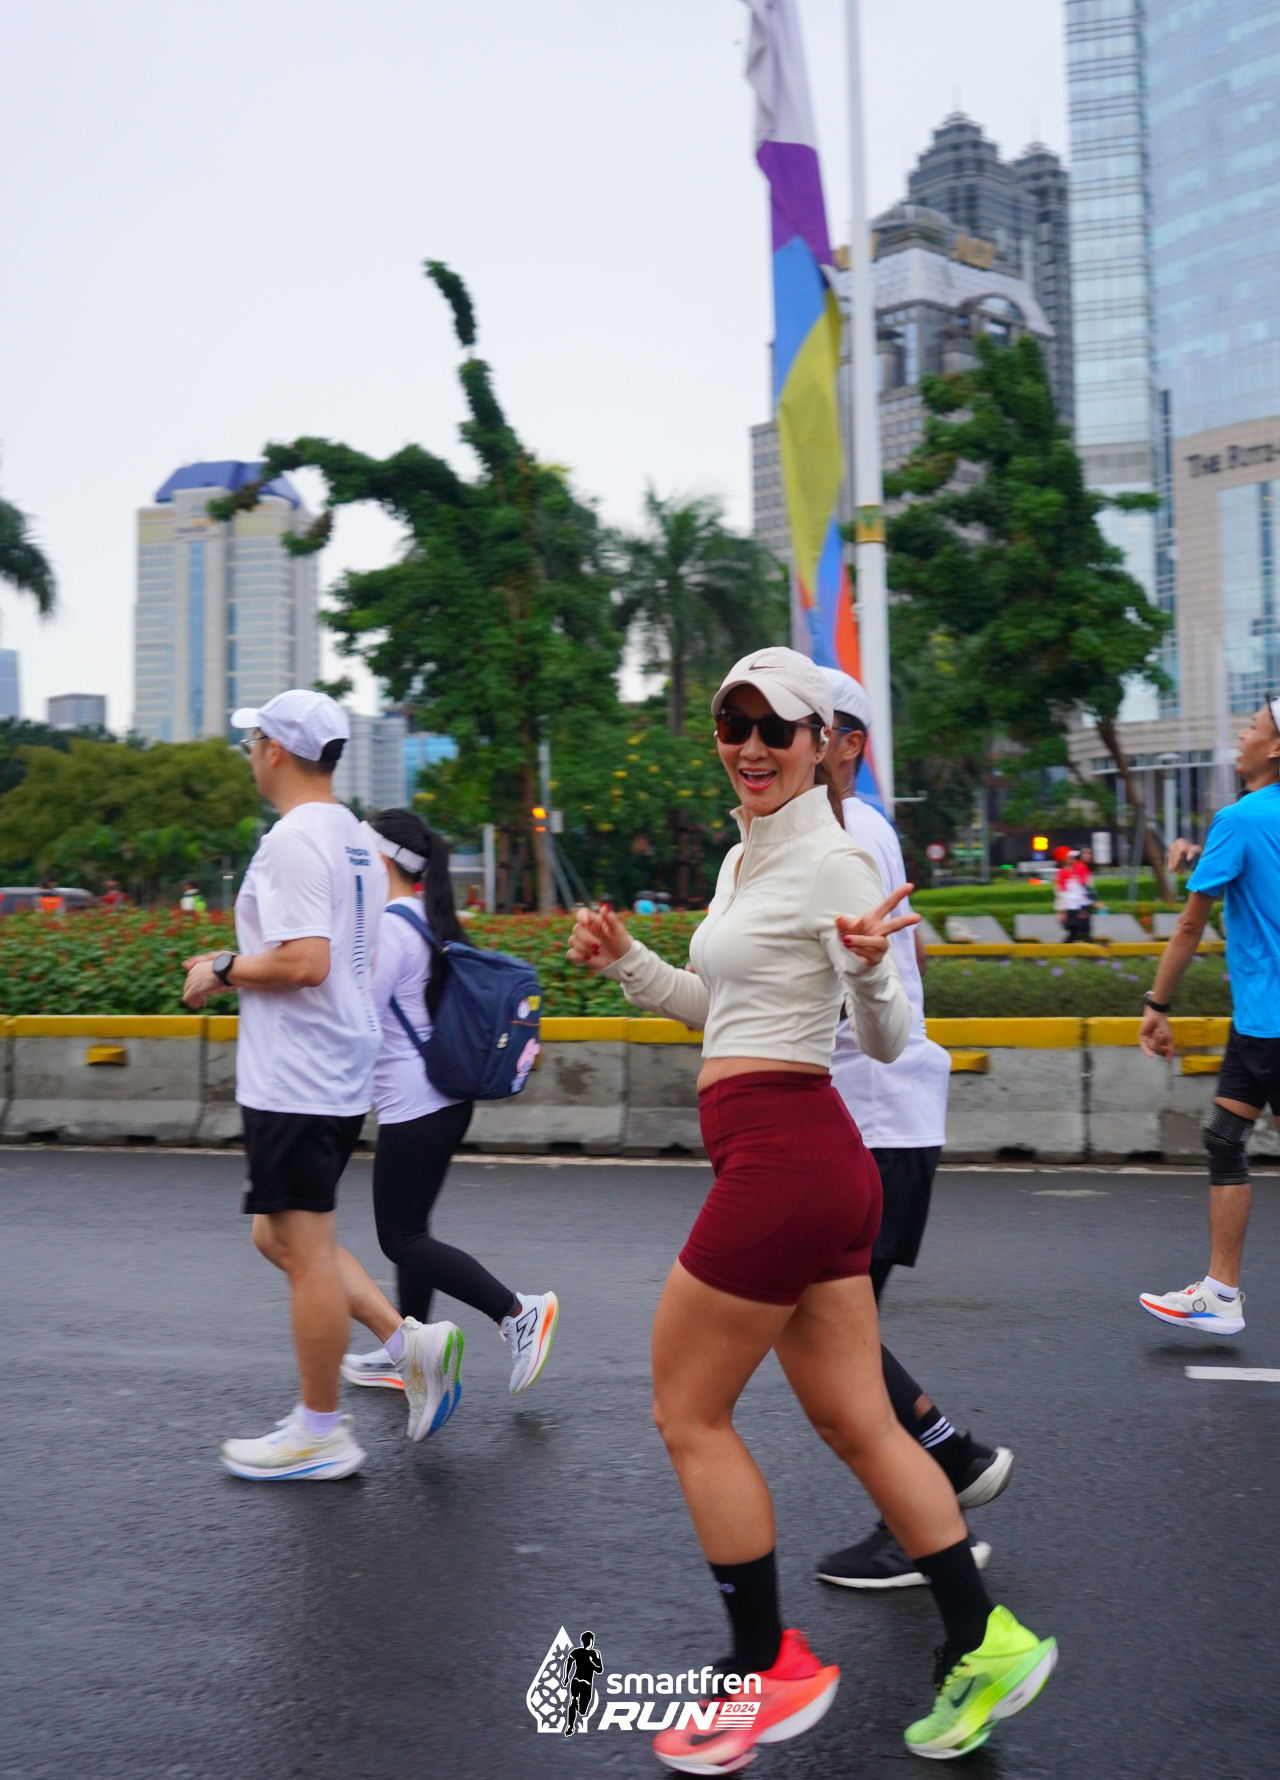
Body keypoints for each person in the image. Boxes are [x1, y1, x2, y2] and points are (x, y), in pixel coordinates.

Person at [568, 648, 1056, 1768]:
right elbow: (718, 1007)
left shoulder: (836, 856)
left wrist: (872, 969)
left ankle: (760, 1670)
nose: (749, 746)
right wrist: (628, 958)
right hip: (803, 1160)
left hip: (787, 1158)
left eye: (773, 729)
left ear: (817, 742)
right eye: (731, 724)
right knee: (858, 1421)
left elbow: (884, 1037)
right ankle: (983, 1640)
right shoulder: (746, 857)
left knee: (688, 1414)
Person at [182, 691, 462, 1480]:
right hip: (334, 1065)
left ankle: (320, 1432)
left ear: (275, 750)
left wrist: (221, 967)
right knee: (278, 1236)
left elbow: (306, 961)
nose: (250, 752)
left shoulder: (295, 840)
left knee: (302, 1252)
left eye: (253, 740)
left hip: (297, 1074)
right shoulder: (353, 837)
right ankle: (408, 1345)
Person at [812, 669, 1013, 1594]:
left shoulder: (848, 835)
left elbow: (855, 985)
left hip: (870, 1116)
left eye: (804, 727)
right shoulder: (860, 829)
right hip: (876, 1113)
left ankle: (941, 1480)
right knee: (834, 1327)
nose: (775, 744)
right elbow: (910, 956)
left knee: (832, 1331)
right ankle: (941, 1482)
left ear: (849, 743)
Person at [339, 807, 559, 1399]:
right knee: (412, 1231)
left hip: (414, 1106)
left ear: (380, 858)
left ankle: (517, 1313)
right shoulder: (424, 917)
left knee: (400, 1238)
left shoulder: (389, 927)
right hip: (441, 1100)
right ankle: (408, 1353)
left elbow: (360, 1019)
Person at [1138, 695, 1280, 1337]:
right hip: (1256, 1026)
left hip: (1269, 1024)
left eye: (1253, 725)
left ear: (1275, 748)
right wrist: (1200, 855)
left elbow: (1190, 925)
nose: (1242, 732)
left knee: (1227, 1141)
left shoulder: (1240, 818)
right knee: (1224, 1138)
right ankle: (1220, 1292)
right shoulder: (1242, 823)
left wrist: (1156, 1005)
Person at [561, 1631, 603, 1737]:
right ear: (584, 1641)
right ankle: (570, 1726)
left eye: (589, 1640)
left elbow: (599, 1670)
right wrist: (566, 1677)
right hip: (579, 1681)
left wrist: (590, 1662)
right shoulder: (578, 1652)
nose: (589, 1642)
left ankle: (577, 1708)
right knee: (573, 1701)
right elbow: (568, 1662)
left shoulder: (594, 1653)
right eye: (587, 1640)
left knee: (582, 1710)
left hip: (583, 1683)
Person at [1054, 850, 1091, 943]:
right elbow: (1061, 892)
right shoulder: (1062, 873)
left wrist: (1083, 908)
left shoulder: (1075, 872)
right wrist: (1062, 911)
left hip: (1076, 906)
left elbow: (1080, 891)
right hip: (1069, 907)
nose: (1073, 860)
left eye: (1073, 858)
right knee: (1074, 931)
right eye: (1070, 858)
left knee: (1080, 930)